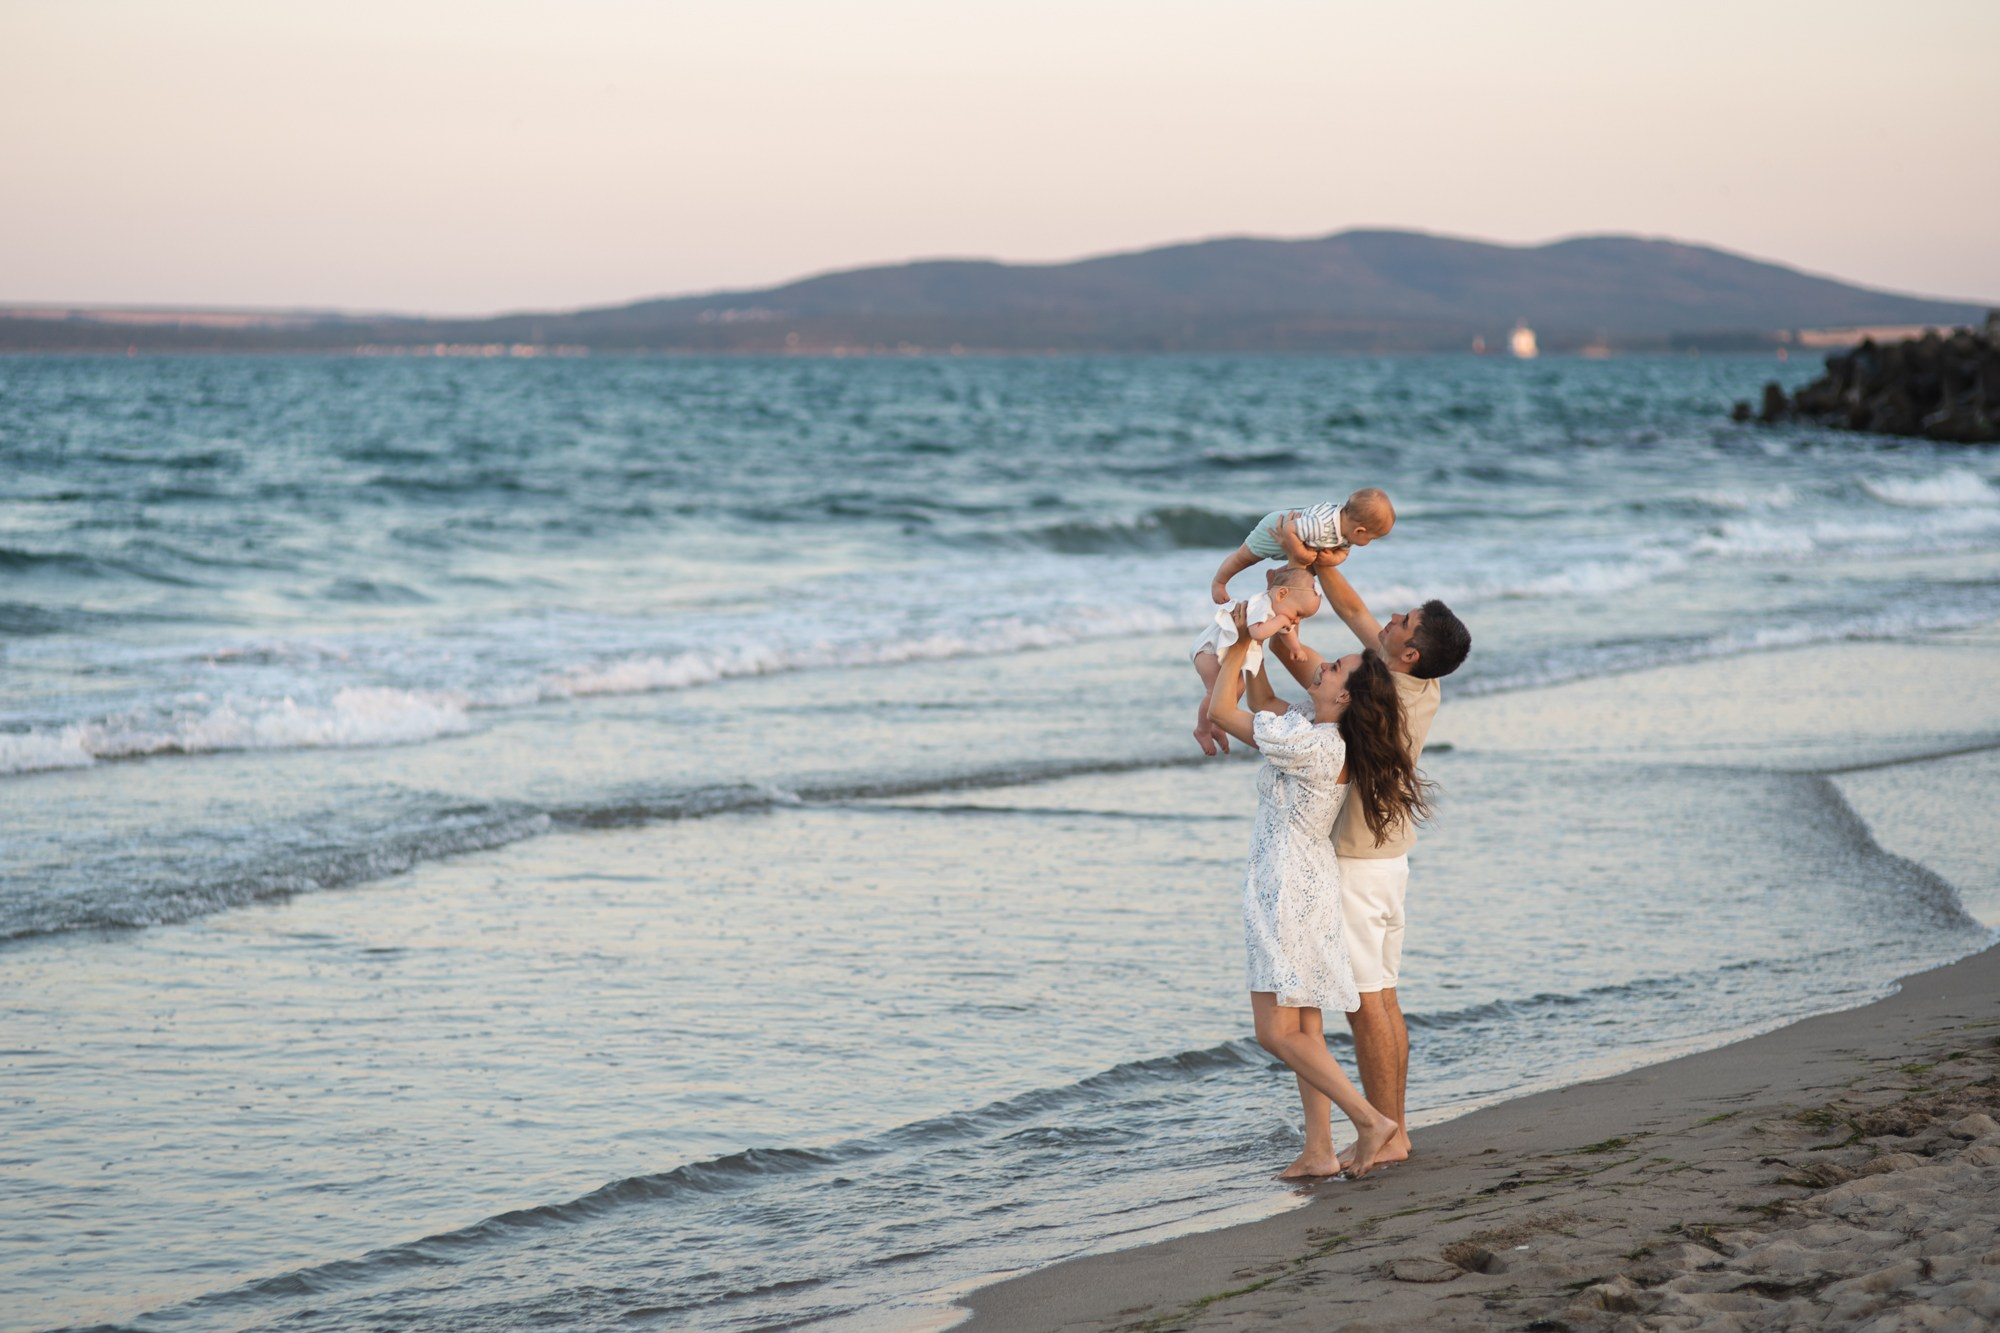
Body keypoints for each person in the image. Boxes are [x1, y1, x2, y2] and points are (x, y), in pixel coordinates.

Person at [1265, 534, 1472, 1174]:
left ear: (1408, 653)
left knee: (1362, 1002)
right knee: (1380, 996)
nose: (1384, 619)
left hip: (1356, 865)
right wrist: (1319, 557)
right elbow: (1352, 616)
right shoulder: (1416, 684)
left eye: (1401, 622)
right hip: (1387, 862)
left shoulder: (1386, 695)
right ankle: (1395, 1128)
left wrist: (1283, 632)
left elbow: (1329, 688)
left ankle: (1388, 1132)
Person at [1205, 603, 1432, 1179]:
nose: (1322, 667)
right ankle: (1319, 1150)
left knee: (1273, 1031)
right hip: (1304, 877)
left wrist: (1240, 643)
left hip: (1284, 884)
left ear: (1349, 697)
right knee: (1304, 1026)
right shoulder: (1318, 729)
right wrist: (1263, 646)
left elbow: (1222, 709)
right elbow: (1261, 703)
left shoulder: (1315, 745)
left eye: (1334, 666)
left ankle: (1370, 1119)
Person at [1189, 566, 1321, 756]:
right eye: (1299, 613)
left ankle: (1217, 724)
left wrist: (1295, 648)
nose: (1297, 620)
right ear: (1281, 594)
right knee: (1214, 693)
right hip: (1208, 649)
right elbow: (1257, 633)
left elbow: (1286, 631)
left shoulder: (1279, 611)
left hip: (1222, 651)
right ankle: (1202, 730)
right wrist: (1282, 619)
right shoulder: (1261, 604)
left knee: (1237, 688)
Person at [1206, 487, 1396, 605]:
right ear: (1360, 531)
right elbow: (1289, 529)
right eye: (1371, 538)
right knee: (1244, 558)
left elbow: (1343, 553)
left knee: (1315, 566)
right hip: (1275, 530)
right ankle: (1220, 582)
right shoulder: (1322, 524)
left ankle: (1277, 576)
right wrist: (1300, 553)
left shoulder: (1347, 532)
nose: (1368, 543)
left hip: (1301, 540)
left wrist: (1333, 558)